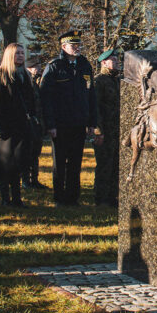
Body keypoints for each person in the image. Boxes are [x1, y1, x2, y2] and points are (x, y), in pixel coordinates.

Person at [40, 30, 96, 206]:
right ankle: (59, 197)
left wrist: (92, 123)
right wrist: (50, 124)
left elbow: (91, 95)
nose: (77, 48)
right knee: (60, 163)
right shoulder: (55, 66)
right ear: (63, 47)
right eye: (73, 45)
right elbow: (46, 98)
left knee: (75, 162)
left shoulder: (85, 65)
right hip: (61, 123)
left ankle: (73, 197)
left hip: (79, 122)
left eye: (79, 45)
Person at [0, 43, 37, 208]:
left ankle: (17, 198)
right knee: (5, 164)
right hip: (6, 127)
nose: (20, 56)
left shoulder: (25, 75)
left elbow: (31, 100)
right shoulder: (0, 75)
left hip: (22, 126)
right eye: (17, 53)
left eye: (22, 53)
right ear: (10, 55)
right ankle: (5, 198)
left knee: (19, 163)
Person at [93, 48, 121, 207]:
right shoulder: (99, 81)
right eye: (113, 60)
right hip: (104, 131)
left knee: (115, 165)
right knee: (104, 164)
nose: (116, 62)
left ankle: (112, 197)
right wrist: (98, 131)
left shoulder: (116, 81)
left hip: (117, 130)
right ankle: (101, 197)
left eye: (117, 60)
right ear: (104, 62)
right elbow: (95, 108)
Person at [22, 64, 46, 190]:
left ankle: (34, 179)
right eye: (36, 67)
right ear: (29, 69)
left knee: (36, 152)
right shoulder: (27, 83)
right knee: (28, 153)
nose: (39, 69)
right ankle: (26, 180)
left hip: (38, 123)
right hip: (30, 123)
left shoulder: (36, 83)